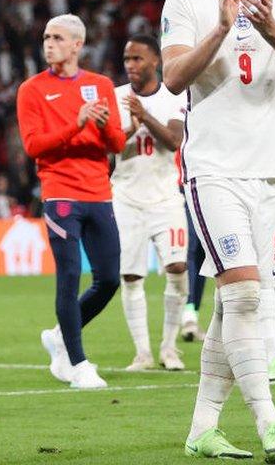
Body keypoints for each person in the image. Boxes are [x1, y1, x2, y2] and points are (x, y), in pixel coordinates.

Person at [160, 0, 275, 461]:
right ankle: (269, 421)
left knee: (234, 306)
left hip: (270, 173)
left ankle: (202, 429)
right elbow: (174, 78)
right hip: (213, 171)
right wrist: (222, 28)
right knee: (246, 292)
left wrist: (268, 25)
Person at [17, 13, 125, 389]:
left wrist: (104, 125)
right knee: (68, 276)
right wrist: (76, 124)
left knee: (110, 278)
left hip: (99, 191)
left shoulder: (100, 85)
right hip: (60, 193)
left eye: (57, 38)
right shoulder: (31, 90)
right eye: (46, 37)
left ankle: (61, 336)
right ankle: (78, 364)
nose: (49, 43)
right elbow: (33, 145)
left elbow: (118, 144)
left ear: (77, 45)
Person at [112, 34, 188, 372]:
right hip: (126, 197)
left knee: (176, 268)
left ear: (155, 61)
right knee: (130, 276)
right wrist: (131, 125)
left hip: (165, 198)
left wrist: (144, 115)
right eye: (127, 60)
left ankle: (169, 348)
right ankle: (142, 353)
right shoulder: (115, 98)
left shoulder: (173, 96)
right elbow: (109, 145)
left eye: (137, 59)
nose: (131, 66)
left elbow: (173, 141)